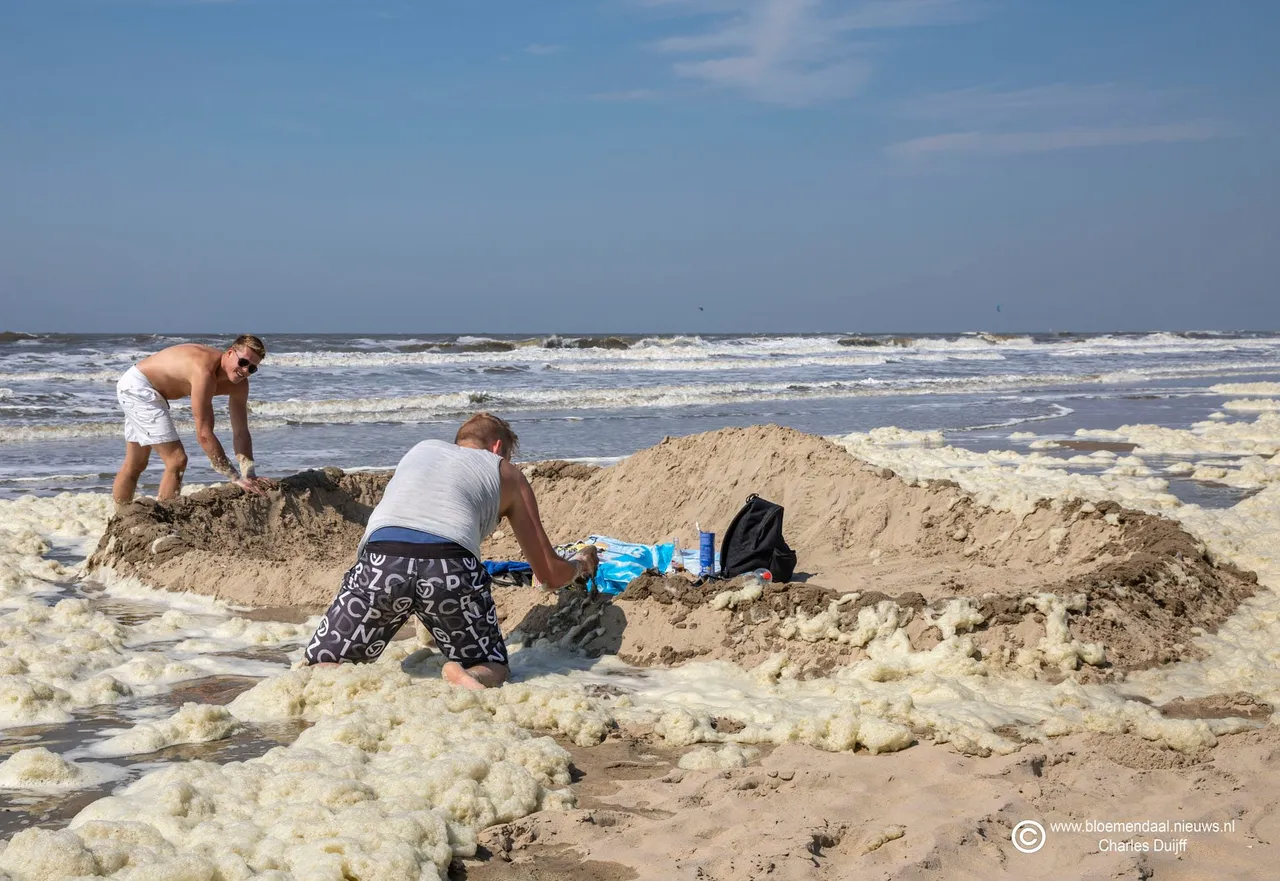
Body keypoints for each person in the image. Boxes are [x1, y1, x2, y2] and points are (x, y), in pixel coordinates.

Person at [303, 412, 599, 690]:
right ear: (497, 448)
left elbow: (413, 540)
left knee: (325, 662)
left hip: (381, 560)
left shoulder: (420, 450)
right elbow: (548, 575)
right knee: (491, 664)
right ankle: (467, 674)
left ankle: (327, 675)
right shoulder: (505, 471)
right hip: (449, 567)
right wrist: (579, 563)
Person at [111, 334, 273, 503]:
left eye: (252, 368)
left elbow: (241, 431)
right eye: (243, 362)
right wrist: (235, 477)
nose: (245, 371)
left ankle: (122, 516)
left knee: (136, 463)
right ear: (230, 353)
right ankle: (165, 519)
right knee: (176, 460)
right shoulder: (204, 372)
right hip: (139, 387)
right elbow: (203, 434)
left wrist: (249, 474)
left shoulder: (240, 385)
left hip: (149, 391)